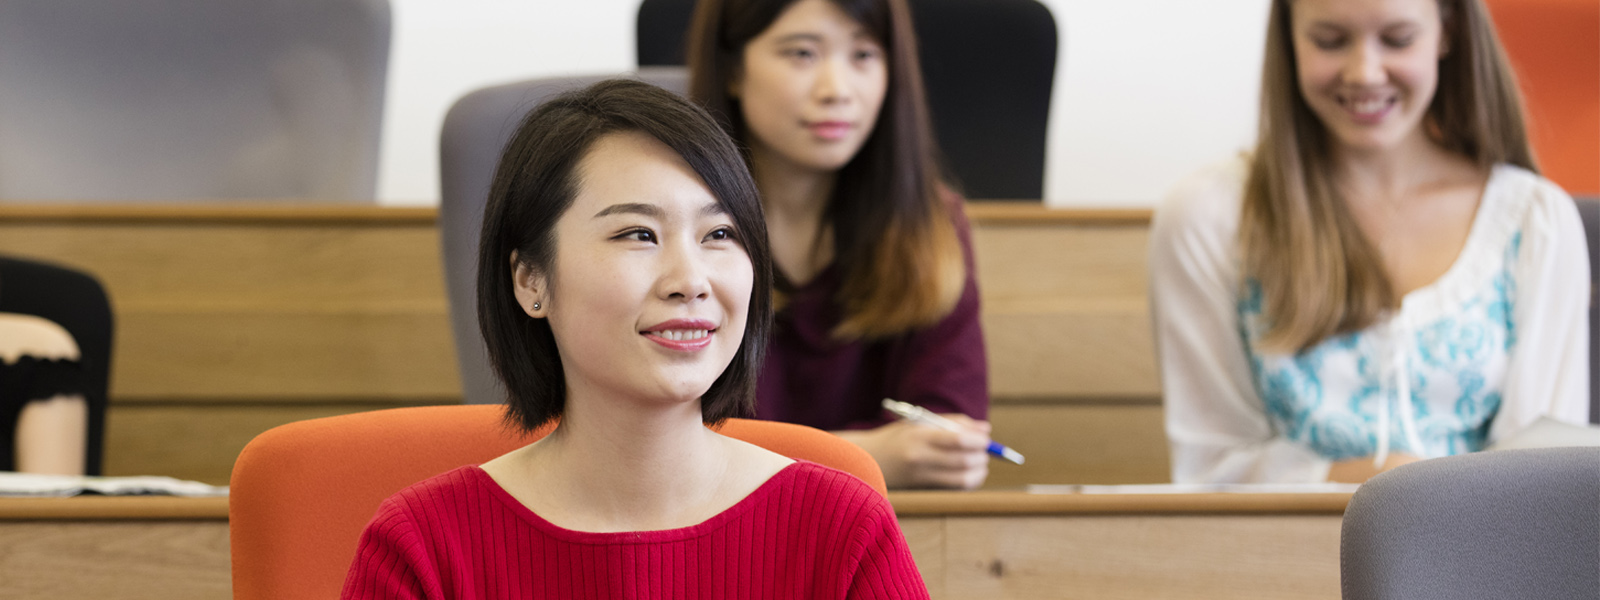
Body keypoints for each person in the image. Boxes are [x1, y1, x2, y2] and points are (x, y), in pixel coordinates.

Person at [341, 80, 928, 599]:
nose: (690, 281)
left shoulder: (841, 529)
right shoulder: (422, 547)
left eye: (719, 233)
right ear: (530, 280)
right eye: (638, 234)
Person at [1150, 0, 1591, 484]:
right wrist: (1372, 481)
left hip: (1483, 558)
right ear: (1289, 40)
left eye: (1399, 39)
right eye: (1330, 41)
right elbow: (1211, 470)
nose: (1365, 72)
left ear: (1447, 32)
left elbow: (1545, 485)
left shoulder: (1534, 223)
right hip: (1276, 553)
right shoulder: (1209, 219)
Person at [687, 0, 992, 490]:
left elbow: (949, 438)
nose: (837, 90)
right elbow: (660, 446)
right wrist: (865, 456)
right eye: (802, 54)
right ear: (734, 69)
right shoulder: (675, 226)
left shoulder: (930, 222)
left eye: (865, 55)